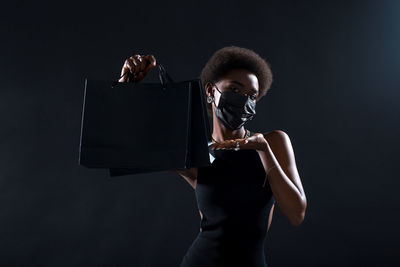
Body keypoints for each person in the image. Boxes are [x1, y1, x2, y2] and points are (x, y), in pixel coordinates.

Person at [118, 46, 307, 267]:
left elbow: (296, 213)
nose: (244, 101)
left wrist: (263, 151)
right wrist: (125, 86)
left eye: (252, 96)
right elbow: (126, 148)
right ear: (210, 91)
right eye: (234, 90)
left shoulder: (273, 142)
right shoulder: (196, 152)